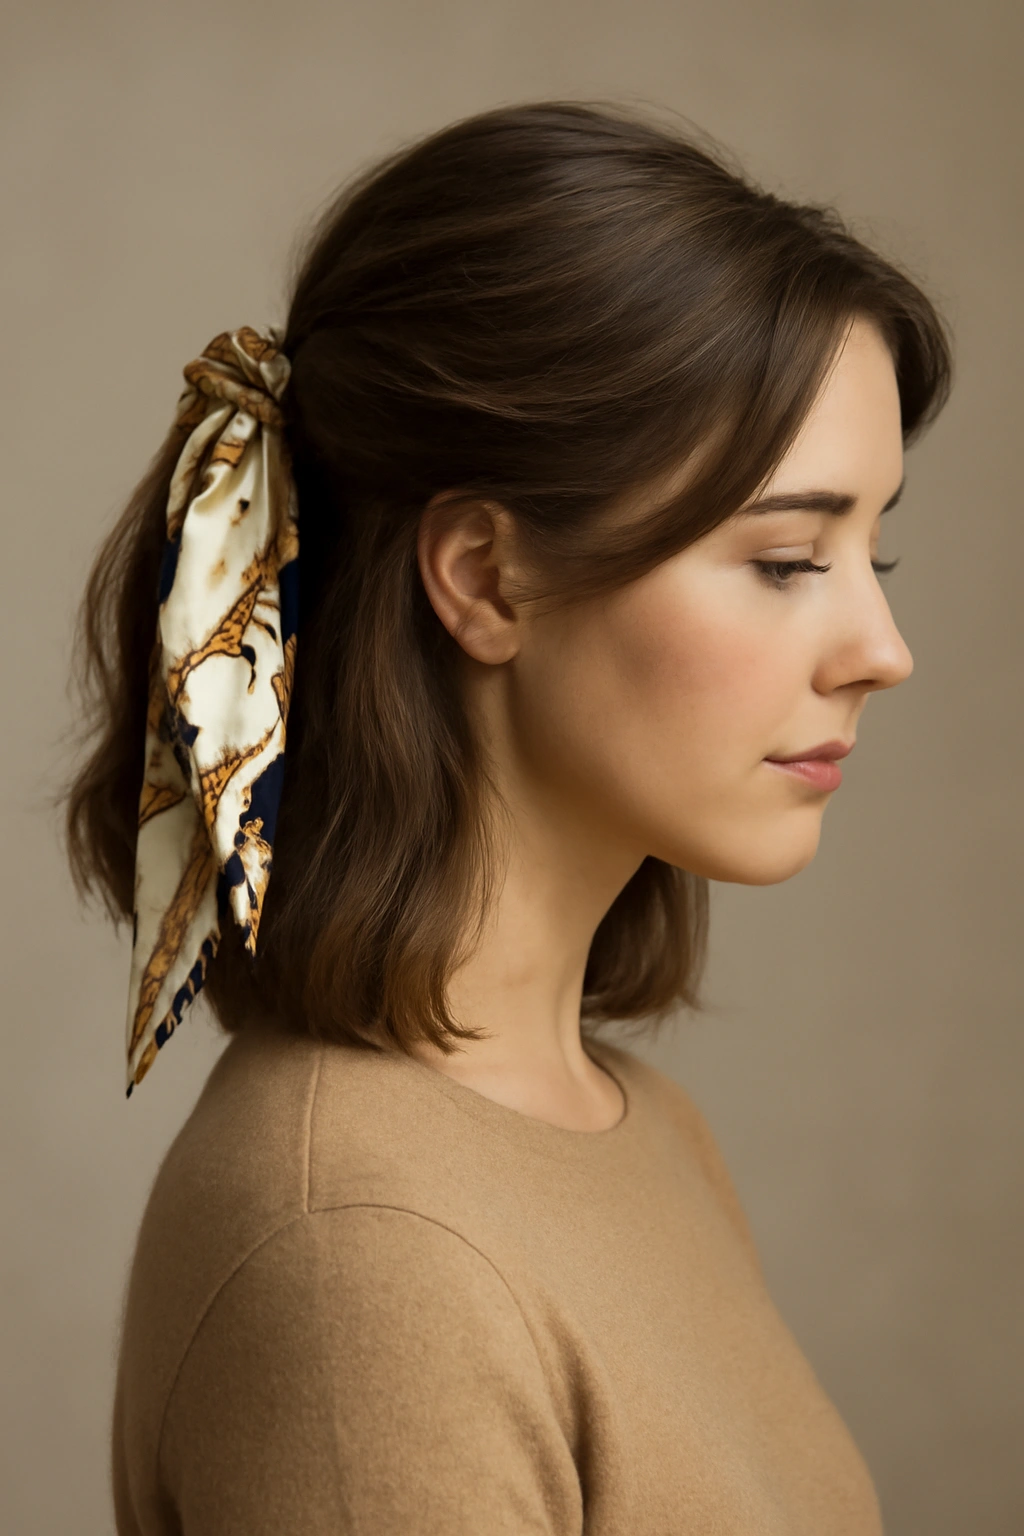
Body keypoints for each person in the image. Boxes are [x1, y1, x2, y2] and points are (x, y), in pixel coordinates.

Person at [61, 101, 953, 1534]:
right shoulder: (360, 1250)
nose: (882, 647)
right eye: (789, 557)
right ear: (483, 577)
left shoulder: (639, 1129)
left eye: (875, 546)